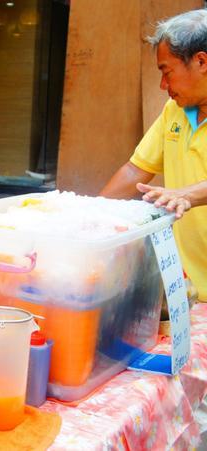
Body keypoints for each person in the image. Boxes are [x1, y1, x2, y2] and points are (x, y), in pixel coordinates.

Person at [100, 9, 207, 302]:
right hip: (189, 288)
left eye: (166, 71)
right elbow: (135, 172)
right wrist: (88, 218)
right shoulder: (174, 111)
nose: (163, 85)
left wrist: (185, 194)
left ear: (201, 61)